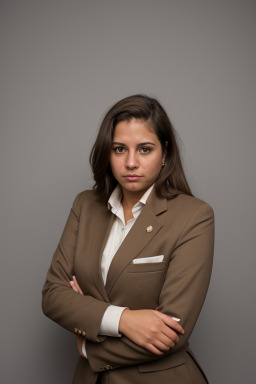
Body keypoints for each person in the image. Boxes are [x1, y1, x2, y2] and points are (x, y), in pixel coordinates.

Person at [42, 94, 214, 384]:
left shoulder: (194, 216)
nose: (131, 162)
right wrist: (124, 319)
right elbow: (53, 295)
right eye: (119, 149)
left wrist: (87, 344)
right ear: (107, 153)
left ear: (165, 153)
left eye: (145, 149)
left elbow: (170, 334)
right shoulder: (85, 206)